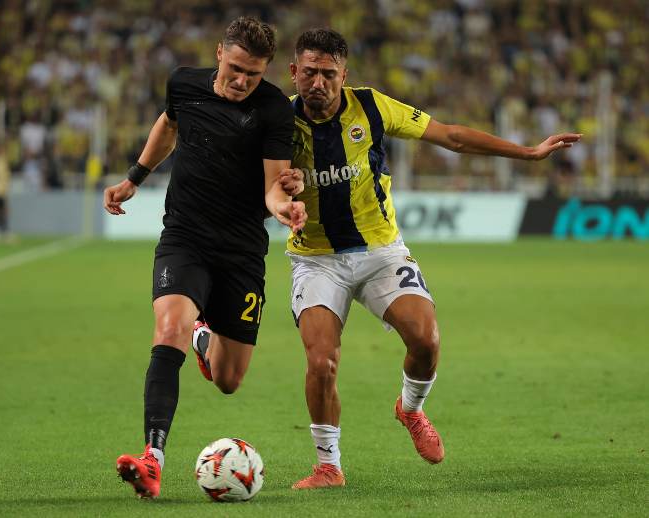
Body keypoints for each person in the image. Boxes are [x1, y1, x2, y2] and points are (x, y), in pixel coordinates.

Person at [279, 29, 580, 488]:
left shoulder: (372, 107)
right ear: (293, 72)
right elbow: (253, 179)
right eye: (310, 72)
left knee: (426, 340)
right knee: (321, 362)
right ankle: (328, 466)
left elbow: (451, 136)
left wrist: (528, 152)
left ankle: (410, 409)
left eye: (329, 73)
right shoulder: (276, 122)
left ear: (345, 74)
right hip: (316, 258)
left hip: (381, 250)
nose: (318, 82)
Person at [102, 16, 306, 500]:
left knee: (229, 380)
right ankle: (153, 459)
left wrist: (285, 208)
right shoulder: (184, 84)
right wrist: (135, 176)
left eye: (253, 74)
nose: (242, 81)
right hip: (185, 238)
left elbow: (273, 185)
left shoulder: (274, 109)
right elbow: (169, 125)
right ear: (219, 53)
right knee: (166, 328)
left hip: (240, 252)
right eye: (236, 69)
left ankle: (203, 338)